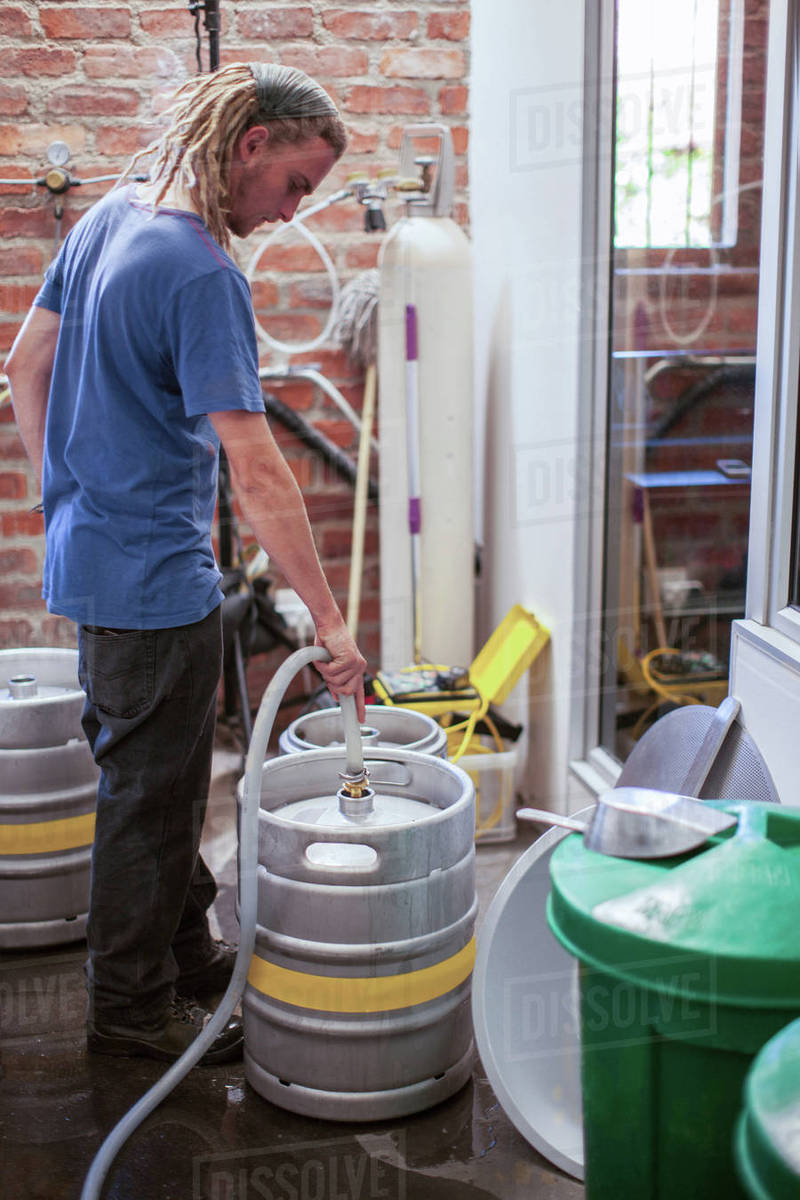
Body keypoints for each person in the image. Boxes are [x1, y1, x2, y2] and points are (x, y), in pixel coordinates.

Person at [4, 62, 367, 1065]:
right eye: (295, 185)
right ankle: (129, 1011)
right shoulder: (201, 270)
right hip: (157, 579)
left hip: (91, 561)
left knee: (153, 782)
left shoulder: (111, 220)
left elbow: (24, 364)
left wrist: (59, 492)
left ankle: (187, 955)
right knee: (149, 801)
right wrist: (331, 626)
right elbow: (255, 468)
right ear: (252, 144)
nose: (292, 211)